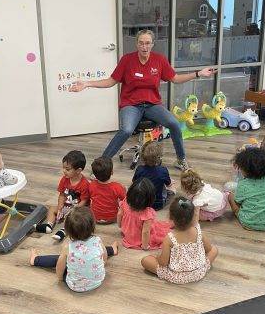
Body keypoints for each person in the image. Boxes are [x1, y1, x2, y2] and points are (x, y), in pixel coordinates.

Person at [70, 29, 217, 171]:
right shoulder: (127, 60)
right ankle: (101, 165)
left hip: (152, 105)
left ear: (152, 44)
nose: (144, 46)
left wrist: (198, 74)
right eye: (141, 43)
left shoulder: (159, 60)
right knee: (126, 129)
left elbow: (175, 78)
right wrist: (87, 84)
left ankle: (181, 160)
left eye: (147, 43)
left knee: (173, 123)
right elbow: (111, 81)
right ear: (137, 44)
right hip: (131, 104)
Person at [29, 207, 118, 293]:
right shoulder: (97, 240)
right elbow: (104, 256)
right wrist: (101, 264)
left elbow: (59, 267)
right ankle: (112, 250)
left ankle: (35, 260)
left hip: (75, 286)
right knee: (94, 250)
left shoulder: (68, 247)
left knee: (59, 259)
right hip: (98, 280)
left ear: (67, 231)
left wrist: (60, 278)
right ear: (93, 227)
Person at [141, 196, 218, 284]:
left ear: (171, 217)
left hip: (176, 276)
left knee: (145, 260)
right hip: (198, 272)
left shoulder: (169, 238)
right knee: (215, 250)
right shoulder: (198, 231)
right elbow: (209, 249)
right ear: (193, 216)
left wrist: (158, 257)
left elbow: (163, 263)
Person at [36, 150, 90, 240]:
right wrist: (60, 207)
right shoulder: (65, 179)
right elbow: (61, 195)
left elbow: (84, 201)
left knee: (73, 218)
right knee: (52, 209)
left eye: (67, 169)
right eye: (63, 168)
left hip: (78, 210)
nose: (64, 171)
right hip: (67, 206)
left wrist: (74, 209)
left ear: (78, 170)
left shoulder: (84, 184)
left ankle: (64, 230)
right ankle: (48, 225)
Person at [228, 147, 265, 231]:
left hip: (248, 223)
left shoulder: (243, 184)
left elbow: (237, 201)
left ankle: (239, 214)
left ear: (246, 170)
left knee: (231, 196)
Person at [118, 178, 171, 250]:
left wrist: (121, 227)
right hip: (139, 239)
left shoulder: (125, 201)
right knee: (164, 234)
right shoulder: (147, 214)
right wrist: (145, 246)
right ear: (150, 198)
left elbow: (119, 214)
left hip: (127, 233)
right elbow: (146, 232)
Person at [132, 141, 174, 211]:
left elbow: (134, 182)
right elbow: (168, 184)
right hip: (157, 205)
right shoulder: (163, 170)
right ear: (159, 158)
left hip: (141, 203)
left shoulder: (139, 169)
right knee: (172, 189)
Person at [88, 156, 126, 224]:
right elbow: (125, 200)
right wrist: (124, 190)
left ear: (94, 174)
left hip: (95, 217)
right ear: (112, 172)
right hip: (112, 218)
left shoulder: (91, 185)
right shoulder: (118, 187)